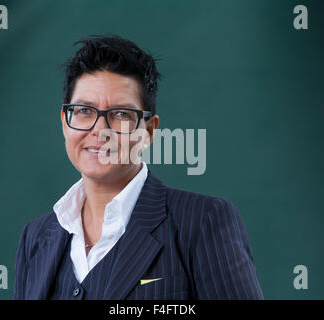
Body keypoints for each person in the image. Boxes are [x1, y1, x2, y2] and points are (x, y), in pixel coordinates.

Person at [13, 34, 264, 300]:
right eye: (84, 111)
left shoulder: (202, 222)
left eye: (121, 114)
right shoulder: (36, 237)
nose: (100, 130)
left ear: (149, 130)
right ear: (65, 121)